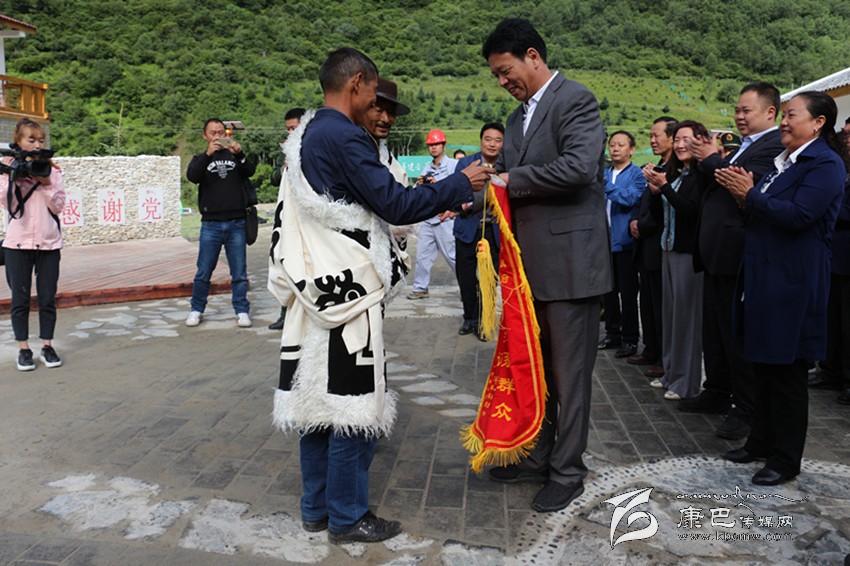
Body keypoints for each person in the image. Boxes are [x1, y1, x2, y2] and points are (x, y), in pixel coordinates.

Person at [267, 47, 493, 543]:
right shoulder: (346, 136)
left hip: (315, 289)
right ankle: (347, 516)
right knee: (351, 405)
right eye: (373, 94)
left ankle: (315, 508)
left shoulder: (307, 133)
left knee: (316, 402)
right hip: (348, 289)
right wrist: (460, 183)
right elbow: (395, 204)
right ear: (357, 83)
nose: (377, 106)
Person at [482, 18, 612, 513]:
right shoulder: (516, 119)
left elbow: (579, 167)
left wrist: (511, 180)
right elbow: (506, 177)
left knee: (570, 375)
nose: (503, 81)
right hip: (530, 270)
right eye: (496, 75)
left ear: (533, 56)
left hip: (572, 266)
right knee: (538, 372)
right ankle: (538, 454)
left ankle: (568, 470)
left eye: (506, 70)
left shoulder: (575, 99)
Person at [719, 91, 847, 486]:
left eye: (791, 115)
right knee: (764, 366)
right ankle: (760, 442)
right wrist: (747, 198)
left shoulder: (824, 164)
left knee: (788, 372)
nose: (784, 123)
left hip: (793, 281)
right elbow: (763, 213)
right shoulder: (784, 162)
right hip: (764, 277)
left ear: (818, 122)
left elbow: (800, 215)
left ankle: (786, 458)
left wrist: (750, 196)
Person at [681, 82, 785, 442]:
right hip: (716, 253)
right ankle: (717, 389)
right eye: (737, 110)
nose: (739, 116)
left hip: (736, 254)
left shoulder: (772, 147)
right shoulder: (743, 146)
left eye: (746, 110)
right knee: (715, 331)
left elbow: (735, 181)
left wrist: (711, 158)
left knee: (736, 335)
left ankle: (745, 407)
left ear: (770, 112)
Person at [642, 120, 708, 401]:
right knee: (670, 317)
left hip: (688, 254)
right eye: (678, 140)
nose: (680, 145)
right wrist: (656, 192)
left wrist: (665, 188)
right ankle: (670, 373)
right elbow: (662, 215)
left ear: (701, 141)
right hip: (667, 249)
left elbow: (691, 212)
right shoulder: (677, 174)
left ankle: (686, 382)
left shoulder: (701, 176)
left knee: (686, 321)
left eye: (686, 140)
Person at [1, 118, 65, 371]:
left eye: (40, 140)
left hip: (49, 244)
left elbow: (58, 206)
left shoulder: (53, 171)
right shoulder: (8, 169)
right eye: (31, 140)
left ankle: (47, 346)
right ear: (18, 141)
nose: (37, 145)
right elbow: (9, 205)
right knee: (20, 298)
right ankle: (24, 349)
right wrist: (13, 176)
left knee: (47, 298)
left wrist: (46, 184)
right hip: (17, 244)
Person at [185, 118, 256, 328]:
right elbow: (192, 176)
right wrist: (208, 154)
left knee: (239, 272)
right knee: (203, 271)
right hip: (211, 224)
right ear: (205, 136)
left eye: (220, 133)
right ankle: (196, 309)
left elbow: (250, 171)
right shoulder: (201, 158)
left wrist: (240, 154)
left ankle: (241, 310)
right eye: (213, 133)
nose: (218, 137)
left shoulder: (234, 156)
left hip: (236, 222)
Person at [627, 117, 677, 380]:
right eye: (651, 135)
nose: (653, 140)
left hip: (660, 244)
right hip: (645, 245)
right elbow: (643, 201)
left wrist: (643, 225)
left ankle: (663, 357)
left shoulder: (673, 171)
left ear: (672, 137)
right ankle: (651, 348)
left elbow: (662, 212)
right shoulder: (655, 167)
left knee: (660, 304)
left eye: (658, 135)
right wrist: (635, 220)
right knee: (646, 301)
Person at [454, 122, 503, 339]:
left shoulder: (506, 166)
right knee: (466, 278)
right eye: (488, 139)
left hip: (493, 231)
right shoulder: (466, 163)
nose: (492, 144)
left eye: (498, 140)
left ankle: (485, 321)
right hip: (467, 228)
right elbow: (457, 191)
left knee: (489, 279)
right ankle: (470, 318)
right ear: (481, 140)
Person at [600, 130, 645, 359]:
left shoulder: (637, 174)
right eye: (612, 144)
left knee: (627, 294)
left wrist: (605, 186)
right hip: (604, 242)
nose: (615, 148)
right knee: (608, 292)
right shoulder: (605, 173)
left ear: (632, 150)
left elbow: (630, 198)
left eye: (621, 145)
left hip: (625, 243)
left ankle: (630, 338)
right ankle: (612, 333)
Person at [407, 129, 458, 300]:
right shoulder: (427, 168)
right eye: (430, 145)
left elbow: (457, 188)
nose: (433, 147)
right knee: (422, 256)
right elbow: (418, 192)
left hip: (446, 218)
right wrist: (420, 185)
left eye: (437, 144)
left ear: (444, 145)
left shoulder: (453, 166)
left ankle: (470, 287)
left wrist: (438, 184)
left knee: (453, 256)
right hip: (429, 219)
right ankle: (420, 288)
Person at [269, 108, 307, 331]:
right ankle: (285, 313)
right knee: (284, 264)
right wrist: (283, 166)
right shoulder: (287, 151)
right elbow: (275, 178)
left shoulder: (314, 150)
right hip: (287, 219)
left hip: (307, 222)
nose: (291, 133)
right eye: (288, 129)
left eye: (294, 128)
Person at [824, 130, 850, 405]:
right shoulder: (842, 169)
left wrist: (827, 204)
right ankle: (831, 372)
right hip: (834, 259)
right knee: (833, 321)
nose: (847, 140)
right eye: (846, 135)